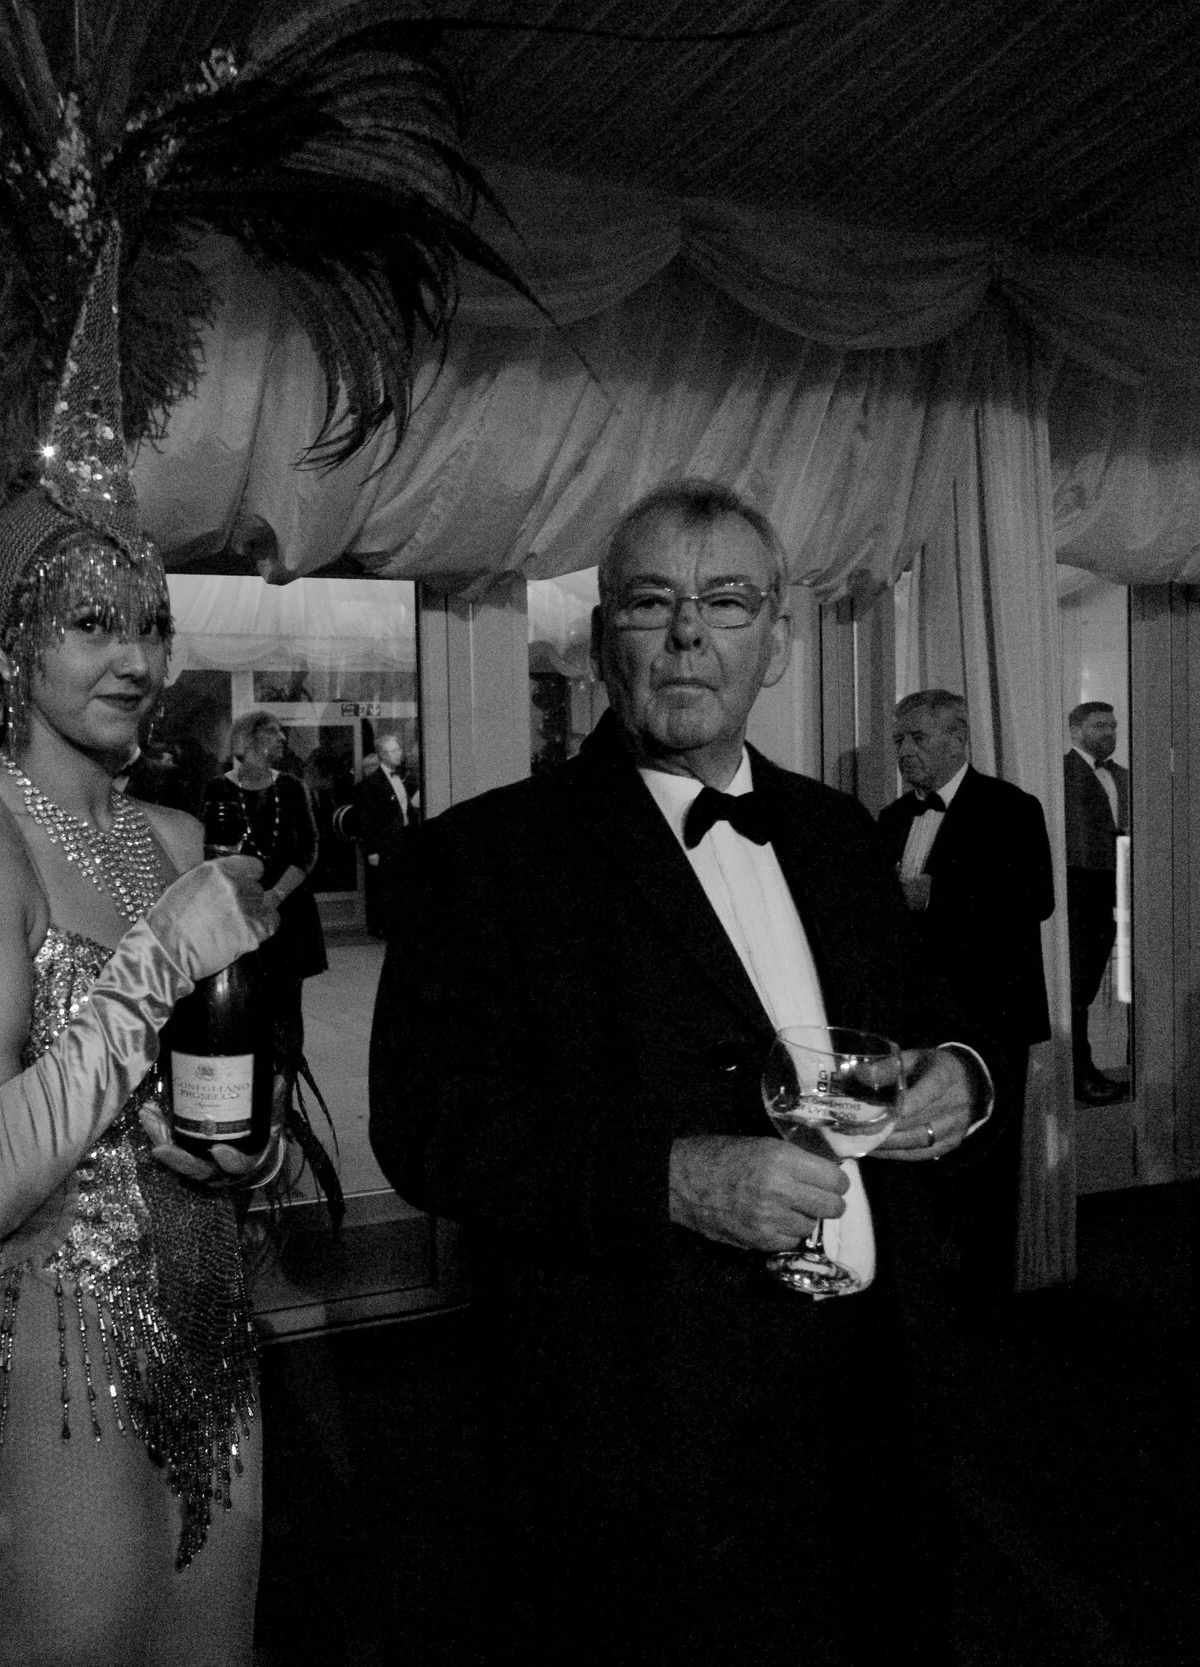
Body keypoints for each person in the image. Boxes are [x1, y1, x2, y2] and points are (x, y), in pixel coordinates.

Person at [369, 479, 989, 1665]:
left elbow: (929, 1021)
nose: (689, 632)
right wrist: (671, 1177)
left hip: (871, 1381)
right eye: (652, 602)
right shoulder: (485, 855)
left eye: (727, 601)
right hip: (643, 1415)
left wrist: (960, 1070)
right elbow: (427, 1124)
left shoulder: (838, 832)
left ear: (777, 642)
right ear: (604, 641)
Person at [0, 312, 283, 1661]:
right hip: (53, 1344)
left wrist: (241, 1151)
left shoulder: (167, 833)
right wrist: (162, 952)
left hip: (209, 1311)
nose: (136, 659)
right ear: (5, 649)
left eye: (151, 624)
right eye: (91, 624)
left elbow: (211, 1077)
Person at [877, 688, 1053, 1298]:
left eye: (917, 738)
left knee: (990, 1165)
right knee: (920, 1158)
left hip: (993, 1010)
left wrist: (936, 897)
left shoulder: (1010, 807)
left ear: (958, 738)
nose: (904, 751)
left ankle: (989, 1302)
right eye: (898, 739)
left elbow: (1035, 899)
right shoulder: (891, 818)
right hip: (917, 1016)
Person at [200, 710, 328, 1056]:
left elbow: (308, 848)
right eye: (273, 732)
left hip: (288, 913)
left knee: (287, 1008)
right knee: (244, 1004)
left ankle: (283, 1086)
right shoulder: (217, 788)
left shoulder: (291, 786)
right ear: (248, 738)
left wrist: (276, 894)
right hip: (238, 913)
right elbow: (208, 852)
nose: (282, 738)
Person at [1062, 699, 1128, 1104]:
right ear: (1076, 731)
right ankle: (1078, 1071)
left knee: (1091, 979)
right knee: (1077, 983)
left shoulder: (1121, 774)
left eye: (1113, 725)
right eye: (1100, 725)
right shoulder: (1062, 772)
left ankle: (1085, 1070)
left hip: (1116, 885)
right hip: (1079, 886)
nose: (1109, 732)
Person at [349, 731, 417, 938]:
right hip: (385, 842)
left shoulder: (402, 778)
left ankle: (397, 923)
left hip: (403, 837)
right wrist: (371, 849)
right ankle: (382, 926)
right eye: (393, 751)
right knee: (384, 885)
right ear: (382, 755)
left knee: (399, 882)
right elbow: (366, 820)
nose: (398, 754)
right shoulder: (372, 784)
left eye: (398, 750)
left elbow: (406, 809)